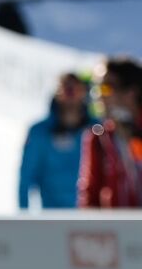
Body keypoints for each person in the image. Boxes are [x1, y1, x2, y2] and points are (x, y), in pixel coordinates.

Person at [19, 73, 96, 210]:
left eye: (76, 90)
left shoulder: (97, 129)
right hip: (53, 218)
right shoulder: (39, 132)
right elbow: (26, 178)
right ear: (57, 93)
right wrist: (23, 219)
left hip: (91, 219)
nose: (71, 97)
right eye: (67, 90)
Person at [79, 57, 142, 208]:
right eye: (96, 88)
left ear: (131, 92)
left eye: (105, 88)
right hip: (117, 230)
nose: (98, 95)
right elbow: (89, 199)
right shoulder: (98, 138)